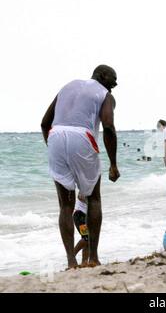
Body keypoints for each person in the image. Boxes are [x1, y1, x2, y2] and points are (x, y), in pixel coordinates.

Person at [41, 65, 120, 268]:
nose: (114, 85)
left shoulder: (67, 87)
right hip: (82, 137)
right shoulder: (104, 94)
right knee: (93, 198)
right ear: (101, 76)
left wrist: (53, 147)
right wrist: (113, 164)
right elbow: (108, 126)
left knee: (65, 205)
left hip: (55, 136)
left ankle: (71, 261)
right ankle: (92, 258)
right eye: (113, 80)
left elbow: (44, 122)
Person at [73, 194, 89, 265]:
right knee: (87, 238)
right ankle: (71, 255)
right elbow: (80, 196)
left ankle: (84, 262)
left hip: (85, 216)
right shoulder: (85, 186)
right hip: (79, 215)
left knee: (87, 241)